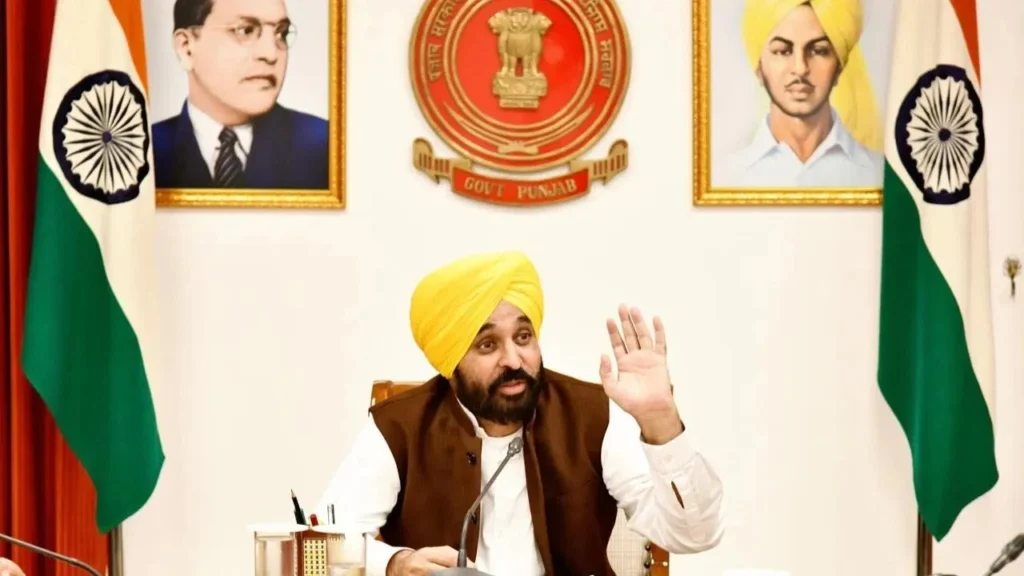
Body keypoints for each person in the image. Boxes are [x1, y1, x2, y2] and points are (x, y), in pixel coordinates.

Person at [315, 251, 725, 576]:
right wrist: (393, 563)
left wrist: (661, 424)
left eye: (523, 337)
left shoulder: (593, 415)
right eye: (488, 345)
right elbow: (325, 544)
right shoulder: (399, 426)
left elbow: (695, 536)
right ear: (450, 360)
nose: (514, 360)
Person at [152, 0, 329, 190]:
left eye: (281, 33)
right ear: (186, 48)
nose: (271, 54)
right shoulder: (145, 150)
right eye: (245, 30)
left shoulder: (325, 146)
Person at [713, 0, 883, 188]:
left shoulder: (881, 174)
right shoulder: (725, 178)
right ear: (759, 68)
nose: (800, 68)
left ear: (839, 68)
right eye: (782, 51)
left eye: (818, 51)